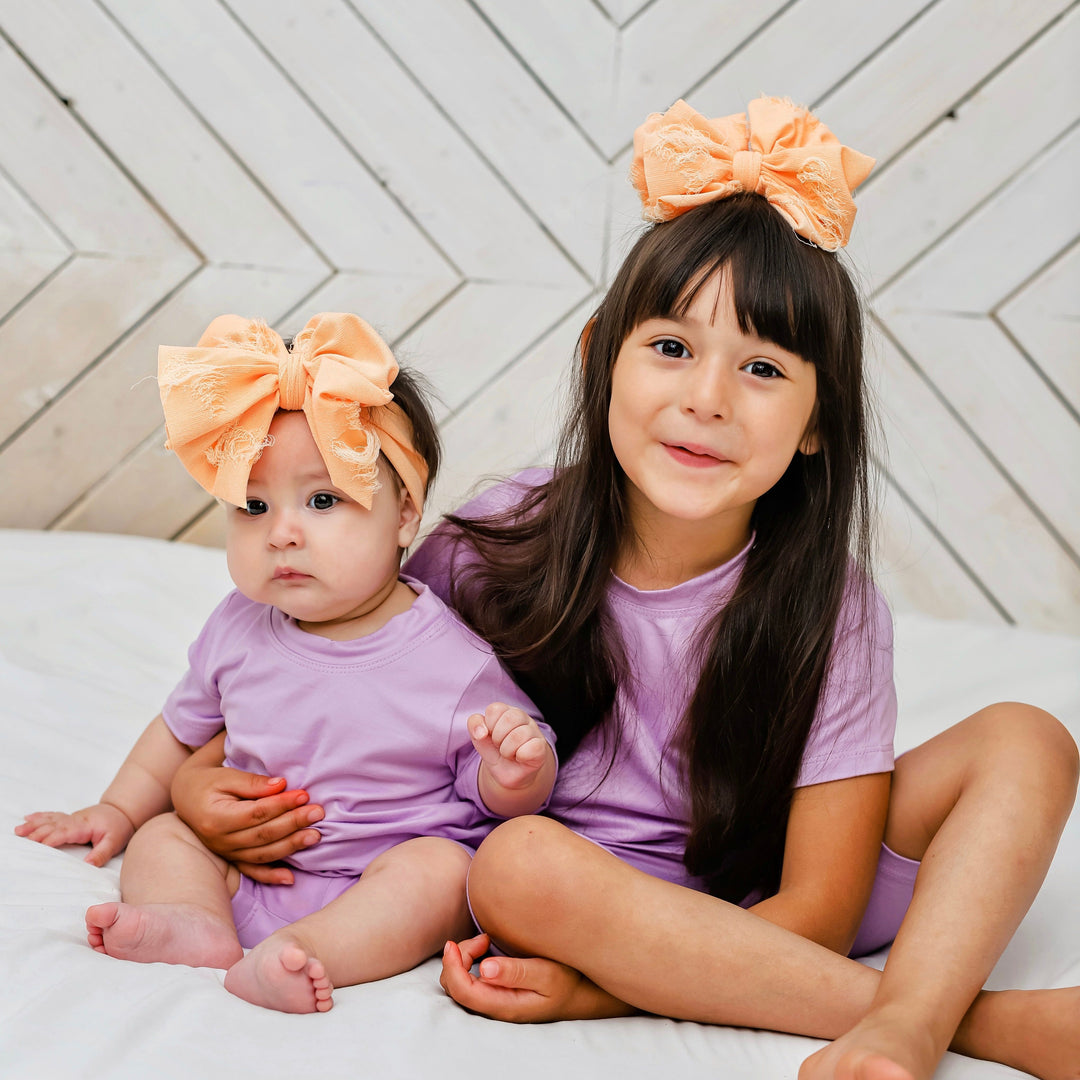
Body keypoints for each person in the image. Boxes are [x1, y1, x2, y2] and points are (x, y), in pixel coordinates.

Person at [169, 100, 1077, 1080]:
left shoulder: (829, 603)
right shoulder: (506, 539)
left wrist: (599, 992)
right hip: (571, 898)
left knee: (1028, 735)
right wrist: (189, 782)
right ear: (602, 354)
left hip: (768, 896)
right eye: (673, 348)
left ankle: (915, 1020)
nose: (708, 398)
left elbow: (817, 908)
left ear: (820, 422)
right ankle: (961, 1022)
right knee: (512, 861)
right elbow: (334, 652)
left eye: (763, 368)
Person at [15, 312, 556, 1015]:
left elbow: (499, 799)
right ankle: (195, 923)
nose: (282, 533)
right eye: (253, 504)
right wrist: (117, 808)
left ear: (404, 514)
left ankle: (307, 953)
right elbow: (179, 731)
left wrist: (515, 769)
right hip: (247, 868)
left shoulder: (452, 659)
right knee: (165, 835)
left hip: (378, 878)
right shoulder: (239, 628)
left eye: (323, 499)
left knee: (445, 872)